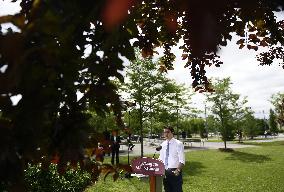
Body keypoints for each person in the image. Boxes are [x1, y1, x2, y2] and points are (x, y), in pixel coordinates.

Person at [159, 126, 185, 192]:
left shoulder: (178, 144)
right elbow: (161, 158)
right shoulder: (163, 144)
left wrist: (178, 170)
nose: (166, 134)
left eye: (167, 132)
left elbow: (182, 160)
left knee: (177, 190)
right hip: (165, 172)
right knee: (167, 190)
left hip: (175, 171)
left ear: (172, 133)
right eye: (164, 132)